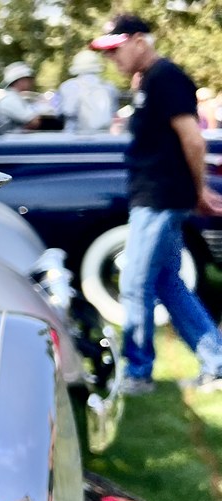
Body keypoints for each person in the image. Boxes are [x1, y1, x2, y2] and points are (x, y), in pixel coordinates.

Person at [91, 14, 222, 394]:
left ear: (138, 41)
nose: (112, 59)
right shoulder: (148, 80)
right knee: (167, 283)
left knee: (134, 282)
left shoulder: (167, 78)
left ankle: (138, 373)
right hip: (154, 197)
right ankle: (215, 363)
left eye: (116, 50)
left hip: (162, 198)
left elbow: (194, 141)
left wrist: (198, 192)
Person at [58, 50, 119, 132]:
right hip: (103, 137)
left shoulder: (68, 86)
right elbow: (113, 113)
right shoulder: (110, 87)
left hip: (75, 138)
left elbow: (67, 111)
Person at [0, 61, 41, 132]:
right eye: (28, 79)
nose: (31, 82)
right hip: (15, 141)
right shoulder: (10, 99)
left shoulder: (14, 97)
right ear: (20, 81)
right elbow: (34, 121)